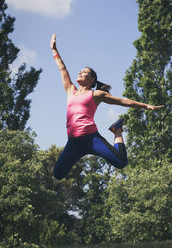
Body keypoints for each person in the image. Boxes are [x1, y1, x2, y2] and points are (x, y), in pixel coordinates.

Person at [50, 34, 164, 180]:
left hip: (91, 139)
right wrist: (54, 49)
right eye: (80, 71)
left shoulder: (95, 94)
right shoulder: (70, 90)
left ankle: (117, 131)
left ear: (91, 80)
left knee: (121, 162)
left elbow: (122, 101)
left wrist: (145, 105)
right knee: (58, 174)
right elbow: (62, 69)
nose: (80, 72)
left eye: (84, 72)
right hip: (73, 142)